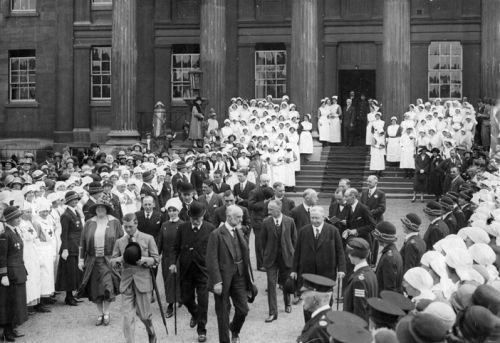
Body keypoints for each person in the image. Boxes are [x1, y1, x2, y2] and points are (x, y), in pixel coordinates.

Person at [206, 205, 254, 343]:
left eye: (241, 217)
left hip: (239, 276)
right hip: (223, 279)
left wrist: (248, 278)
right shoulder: (216, 234)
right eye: (238, 217)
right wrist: (217, 281)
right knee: (223, 314)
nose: (241, 220)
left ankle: (234, 329)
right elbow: (211, 259)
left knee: (243, 309)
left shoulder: (239, 232)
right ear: (229, 217)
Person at [111, 213, 160, 343]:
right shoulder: (120, 242)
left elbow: (156, 259)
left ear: (136, 224)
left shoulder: (148, 238)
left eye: (130, 227)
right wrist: (120, 260)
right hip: (127, 282)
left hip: (143, 281)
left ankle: (151, 332)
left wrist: (145, 260)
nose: (128, 230)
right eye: (125, 227)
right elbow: (112, 261)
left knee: (144, 316)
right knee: (127, 318)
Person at [170, 202, 215, 343]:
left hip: (203, 271)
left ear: (203, 216)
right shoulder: (182, 228)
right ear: (189, 216)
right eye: (193, 218)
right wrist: (172, 263)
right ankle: (195, 314)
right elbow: (175, 248)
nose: (195, 220)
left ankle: (202, 330)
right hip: (186, 270)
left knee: (203, 301)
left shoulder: (210, 228)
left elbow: (214, 250)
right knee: (186, 299)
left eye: (198, 218)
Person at [291, 206, 346, 321]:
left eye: (317, 218)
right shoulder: (303, 231)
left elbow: (340, 252)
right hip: (308, 275)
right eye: (312, 218)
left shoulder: (333, 231)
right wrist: (294, 270)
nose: (314, 221)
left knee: (325, 305)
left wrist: (341, 269)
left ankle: (324, 328)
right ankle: (309, 328)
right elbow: (297, 252)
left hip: (326, 275)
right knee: (308, 304)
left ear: (323, 217)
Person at [78, 199, 123, 326]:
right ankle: (100, 313)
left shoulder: (114, 222)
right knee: (95, 288)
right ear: (95, 210)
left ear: (107, 209)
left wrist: (121, 258)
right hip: (93, 260)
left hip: (108, 260)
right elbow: (82, 243)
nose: (100, 210)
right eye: (98, 208)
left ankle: (107, 312)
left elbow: (121, 240)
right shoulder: (89, 223)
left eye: (103, 208)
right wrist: (81, 260)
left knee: (107, 286)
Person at [261, 200, 297, 322]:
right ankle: (273, 312)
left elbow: (294, 240)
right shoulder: (266, 222)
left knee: (286, 283)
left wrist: (294, 256)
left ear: (279, 209)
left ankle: (288, 303)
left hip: (286, 257)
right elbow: (263, 241)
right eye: (268, 209)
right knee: (271, 285)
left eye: (271, 209)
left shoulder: (289, 221)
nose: (268, 211)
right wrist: (266, 254)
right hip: (271, 259)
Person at [0, 206, 28, 342]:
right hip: (10, 274)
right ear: (9, 219)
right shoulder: (5, 235)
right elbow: (2, 257)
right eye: (16, 217)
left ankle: (11, 328)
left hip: (18, 270)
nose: (19, 219)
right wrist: (3, 274)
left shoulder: (15, 232)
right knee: (8, 303)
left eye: (19, 217)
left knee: (16, 302)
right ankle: (7, 331)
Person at [55, 190, 84, 306]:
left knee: (75, 272)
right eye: (72, 200)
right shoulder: (66, 215)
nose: (75, 201)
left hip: (77, 245)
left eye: (76, 199)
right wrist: (65, 249)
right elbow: (64, 233)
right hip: (70, 247)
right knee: (69, 273)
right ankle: (68, 296)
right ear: (68, 202)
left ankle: (72, 295)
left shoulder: (76, 212)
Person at [157, 197, 183, 318]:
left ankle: (179, 298)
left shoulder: (183, 225)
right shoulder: (164, 225)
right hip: (167, 258)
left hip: (179, 258)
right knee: (168, 280)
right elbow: (160, 243)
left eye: (174, 210)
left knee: (178, 280)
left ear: (178, 211)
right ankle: (170, 304)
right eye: (170, 210)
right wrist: (156, 256)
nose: (172, 213)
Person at [343, 237, 378, 322]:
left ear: (354, 255)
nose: (348, 256)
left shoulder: (359, 280)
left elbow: (360, 311)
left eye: (350, 254)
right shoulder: (371, 273)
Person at [296, 274, 336, 343]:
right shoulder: (330, 316)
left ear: (315, 299)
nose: (301, 297)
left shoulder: (317, 330)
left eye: (304, 293)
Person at [248, 174, 273, 271]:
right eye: (264, 181)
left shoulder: (270, 190)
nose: (266, 183)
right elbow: (250, 205)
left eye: (267, 181)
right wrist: (264, 203)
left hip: (268, 218)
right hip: (258, 220)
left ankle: (268, 262)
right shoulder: (254, 191)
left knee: (269, 242)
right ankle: (260, 265)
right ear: (260, 181)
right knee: (259, 243)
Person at [372, 222, 403, 295]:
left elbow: (389, 288)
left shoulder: (388, 258)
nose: (376, 239)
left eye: (377, 237)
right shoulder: (393, 252)